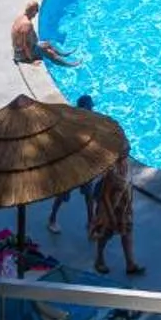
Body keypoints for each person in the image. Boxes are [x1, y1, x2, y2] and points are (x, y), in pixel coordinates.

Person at [47, 96, 101, 234]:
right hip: (70, 168)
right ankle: (52, 218)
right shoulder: (71, 125)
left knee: (89, 195)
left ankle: (91, 222)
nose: (92, 110)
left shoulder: (91, 123)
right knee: (62, 195)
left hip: (86, 166)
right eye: (90, 108)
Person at [88, 146, 143, 276]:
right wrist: (111, 215)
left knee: (127, 232)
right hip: (110, 206)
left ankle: (130, 264)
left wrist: (129, 204)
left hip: (123, 205)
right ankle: (99, 260)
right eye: (124, 149)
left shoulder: (127, 164)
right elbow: (105, 195)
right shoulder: (111, 170)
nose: (128, 150)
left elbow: (128, 186)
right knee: (105, 234)